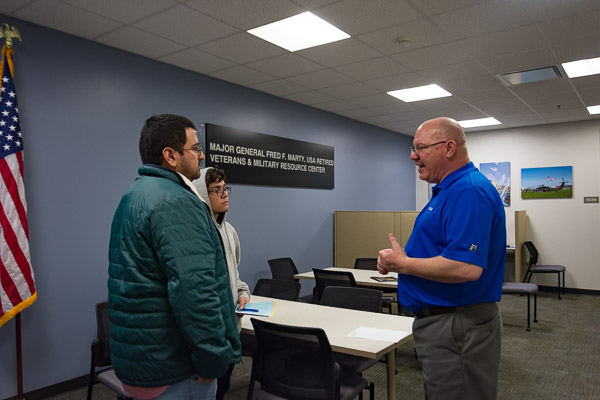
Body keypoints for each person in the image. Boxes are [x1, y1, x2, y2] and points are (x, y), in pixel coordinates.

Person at [108, 114, 241, 400]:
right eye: (195, 148)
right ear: (170, 155)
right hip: (175, 370)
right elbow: (194, 293)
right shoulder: (177, 201)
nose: (202, 155)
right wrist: (212, 362)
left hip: (142, 361)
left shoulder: (134, 194)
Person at [377, 117, 506, 400]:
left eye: (420, 148)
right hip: (445, 323)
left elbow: (465, 267)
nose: (413, 156)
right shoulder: (449, 190)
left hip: (456, 324)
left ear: (449, 148)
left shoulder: (468, 191)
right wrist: (398, 260)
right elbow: (441, 250)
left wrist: (405, 264)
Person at [194, 166, 250, 400]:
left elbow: (234, 274)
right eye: (216, 190)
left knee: (223, 387)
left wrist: (243, 293)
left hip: (231, 327)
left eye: (225, 188)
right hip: (211, 329)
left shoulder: (231, 231)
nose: (224, 194)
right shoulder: (197, 233)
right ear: (203, 195)